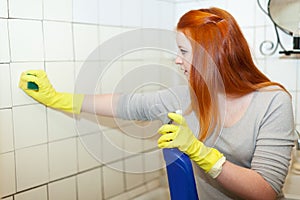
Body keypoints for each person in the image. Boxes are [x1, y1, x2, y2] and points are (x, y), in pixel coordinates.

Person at [19, 7, 295, 200]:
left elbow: (265, 191)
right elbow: (125, 105)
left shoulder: (273, 103)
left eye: (183, 52)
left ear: (213, 56)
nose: (177, 60)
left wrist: (200, 152)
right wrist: (59, 98)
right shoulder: (186, 98)